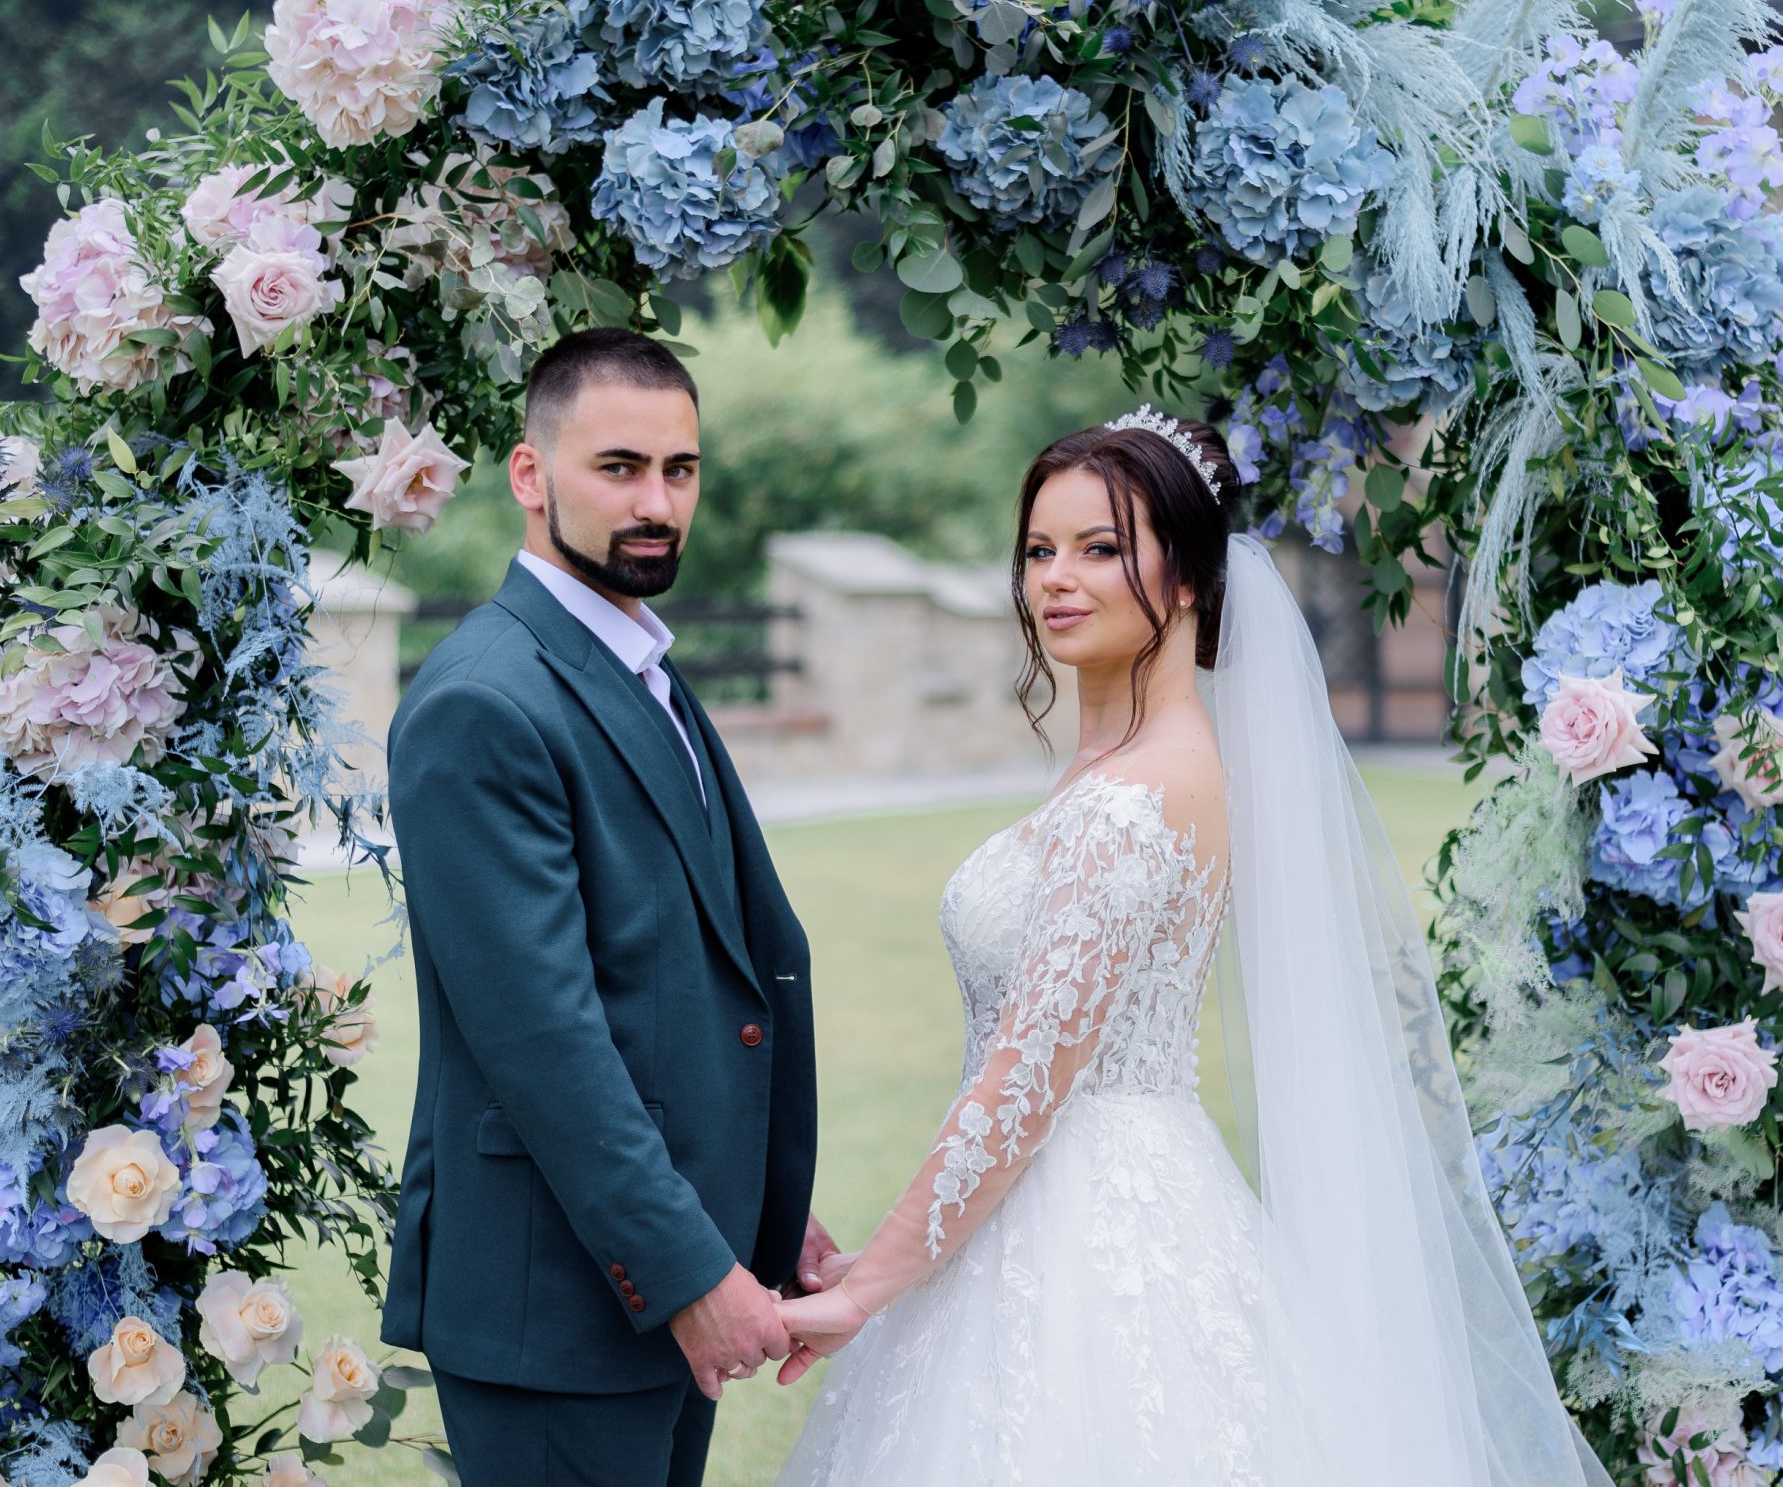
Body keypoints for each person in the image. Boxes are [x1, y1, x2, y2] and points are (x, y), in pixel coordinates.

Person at [768, 408, 1617, 1486]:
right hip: (1023, 1209)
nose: (1057, 579)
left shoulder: (1142, 794)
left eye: (1102, 547)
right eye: (1040, 549)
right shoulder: (1111, 770)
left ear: (1185, 580)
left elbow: (1031, 1071)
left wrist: (866, 1282)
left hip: (1096, 1228)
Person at [380, 327, 839, 1487]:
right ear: (530, 477)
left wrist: (762, 1216)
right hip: (560, 1303)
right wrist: (687, 1270)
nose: (656, 501)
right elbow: (546, 1039)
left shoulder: (635, 660)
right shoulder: (484, 700)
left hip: (648, 1269)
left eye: (679, 470)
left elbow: (681, 974)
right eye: (619, 467)